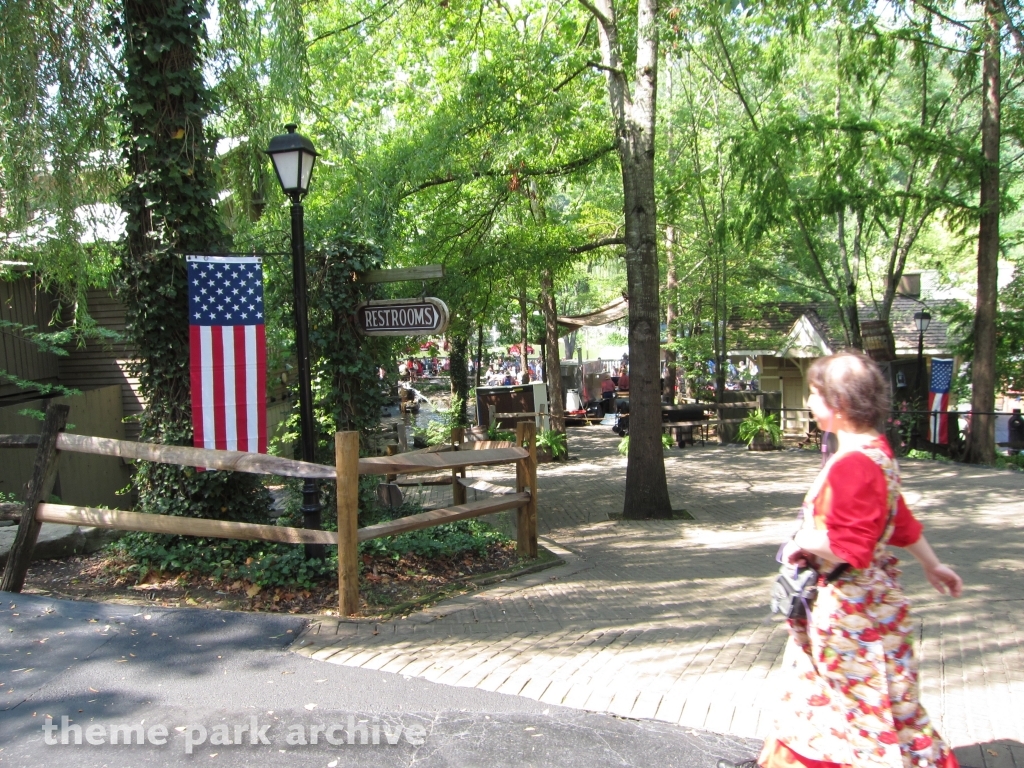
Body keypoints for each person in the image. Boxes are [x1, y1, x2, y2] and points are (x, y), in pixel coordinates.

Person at [718, 351, 963, 768]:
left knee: (854, 701)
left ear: (841, 403)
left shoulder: (852, 464)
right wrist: (931, 563)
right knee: (874, 696)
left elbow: (853, 547)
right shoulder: (878, 451)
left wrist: (805, 542)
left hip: (848, 613)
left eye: (816, 393)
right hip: (875, 603)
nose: (810, 402)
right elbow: (898, 519)